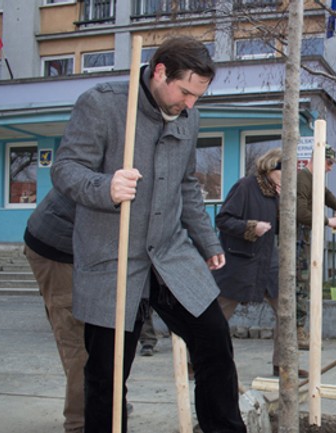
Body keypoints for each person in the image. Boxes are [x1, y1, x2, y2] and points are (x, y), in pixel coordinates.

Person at [51, 36, 246, 433]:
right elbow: (66, 168)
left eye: (198, 95)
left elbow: (187, 184)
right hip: (113, 257)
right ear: (160, 72)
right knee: (107, 372)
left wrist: (207, 242)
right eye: (186, 92)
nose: (191, 104)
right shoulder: (103, 104)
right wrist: (105, 187)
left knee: (214, 344)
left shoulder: (188, 117)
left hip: (170, 255)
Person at [212, 148, 303, 377]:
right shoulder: (246, 186)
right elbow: (223, 219)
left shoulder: (278, 192)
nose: (288, 175)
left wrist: (285, 203)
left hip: (267, 261)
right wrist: (251, 227)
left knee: (286, 310)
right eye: (285, 170)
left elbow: (282, 228)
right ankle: (201, 360)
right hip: (240, 262)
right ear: (271, 168)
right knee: (219, 314)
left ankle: (283, 364)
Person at [23, 189, 86, 433]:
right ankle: (79, 423)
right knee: (77, 341)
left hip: (74, 249)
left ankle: (99, 402)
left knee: (94, 335)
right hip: (54, 250)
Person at [295, 145, 336, 349]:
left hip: (304, 240)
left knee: (304, 285)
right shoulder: (302, 179)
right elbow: (300, 212)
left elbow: (325, 193)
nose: (330, 168)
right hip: (297, 241)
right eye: (328, 163)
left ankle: (300, 329)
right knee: (299, 286)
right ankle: (297, 331)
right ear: (316, 159)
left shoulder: (312, 180)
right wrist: (328, 221)